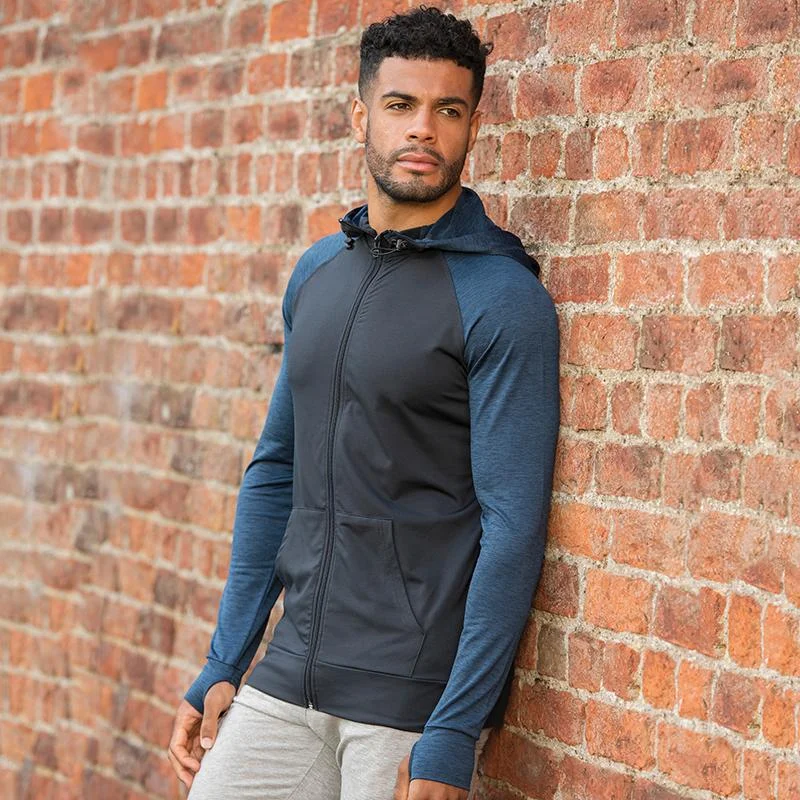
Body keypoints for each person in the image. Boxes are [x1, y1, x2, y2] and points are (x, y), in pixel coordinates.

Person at [167, 6, 560, 799]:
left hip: (408, 699)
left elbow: (514, 527)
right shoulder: (319, 272)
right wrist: (225, 659)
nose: (423, 129)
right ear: (360, 116)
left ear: (473, 126)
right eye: (401, 104)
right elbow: (276, 471)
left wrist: (454, 727)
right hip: (290, 672)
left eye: (448, 110)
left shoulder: (501, 298)